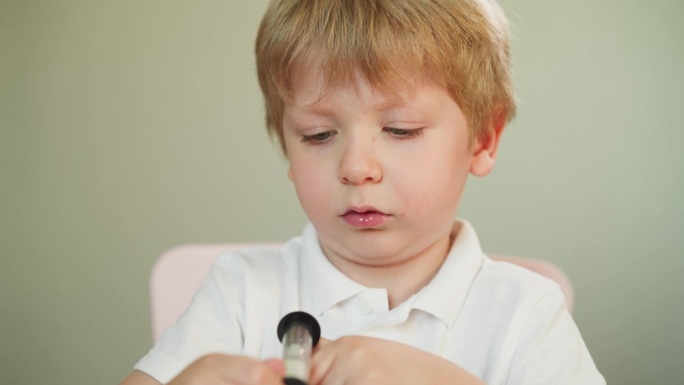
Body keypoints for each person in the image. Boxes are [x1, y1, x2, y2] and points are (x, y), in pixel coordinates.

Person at [121, 0, 605, 384]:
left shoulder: (524, 312)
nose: (355, 168)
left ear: (483, 139)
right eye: (317, 136)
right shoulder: (241, 292)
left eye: (400, 129)